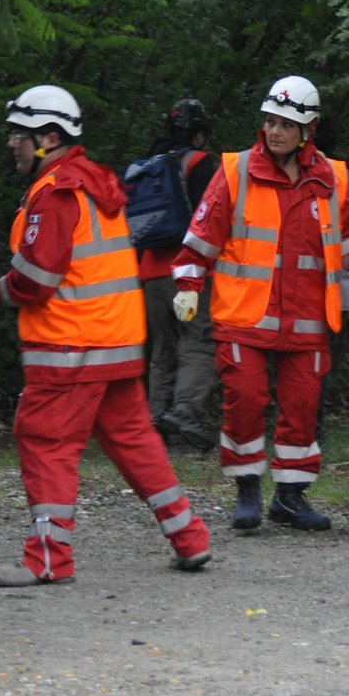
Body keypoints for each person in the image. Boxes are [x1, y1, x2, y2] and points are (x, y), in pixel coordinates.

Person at [0, 84, 211, 586]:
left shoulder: (55, 192)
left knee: (46, 442)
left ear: (47, 137)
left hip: (70, 347)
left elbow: (38, 279)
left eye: (18, 135)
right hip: (116, 344)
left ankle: (48, 558)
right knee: (135, 441)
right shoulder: (98, 183)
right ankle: (191, 538)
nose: (11, 144)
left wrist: (2, 288)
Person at [171, 75, 349, 532]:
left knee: (302, 407)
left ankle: (289, 498)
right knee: (246, 400)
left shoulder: (332, 178)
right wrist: (189, 285)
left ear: (308, 129)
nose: (275, 131)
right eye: (270, 121)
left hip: (308, 316)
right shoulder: (235, 171)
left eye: (286, 124)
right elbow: (202, 236)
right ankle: (247, 489)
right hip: (244, 315)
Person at [130, 98, 220, 450]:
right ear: (199, 136)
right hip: (188, 271)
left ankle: (154, 423)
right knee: (198, 340)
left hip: (150, 270)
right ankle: (184, 410)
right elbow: (210, 217)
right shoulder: (199, 163)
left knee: (162, 349)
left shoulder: (148, 166)